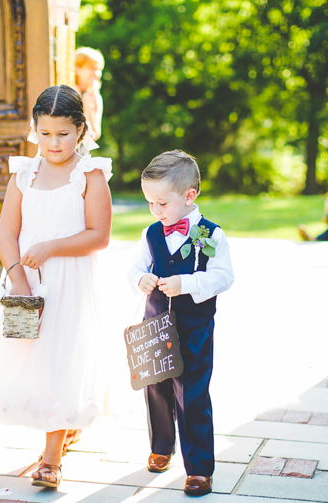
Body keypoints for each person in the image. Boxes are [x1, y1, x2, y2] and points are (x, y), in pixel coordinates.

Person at [0, 85, 112, 488]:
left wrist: (51, 246)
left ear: (81, 130)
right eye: (46, 133)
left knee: (61, 359)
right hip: (26, 282)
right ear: (35, 129)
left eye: (64, 134)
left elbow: (99, 235)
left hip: (71, 281)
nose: (54, 143)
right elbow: (5, 232)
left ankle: (52, 458)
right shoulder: (23, 174)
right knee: (30, 358)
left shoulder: (90, 175)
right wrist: (16, 276)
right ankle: (63, 428)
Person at [128, 150, 235, 496]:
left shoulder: (211, 235)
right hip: (156, 326)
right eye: (150, 204)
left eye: (162, 203)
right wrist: (140, 280)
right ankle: (162, 446)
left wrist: (187, 283)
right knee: (156, 388)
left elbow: (223, 277)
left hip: (193, 329)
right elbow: (135, 268)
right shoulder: (151, 234)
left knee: (192, 394)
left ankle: (199, 467)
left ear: (189, 196)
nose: (156, 211)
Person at [74, 47, 104, 140]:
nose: (97, 73)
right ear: (77, 69)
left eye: (99, 69)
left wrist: (88, 106)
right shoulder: (67, 92)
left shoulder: (95, 97)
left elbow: (94, 135)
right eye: (92, 68)